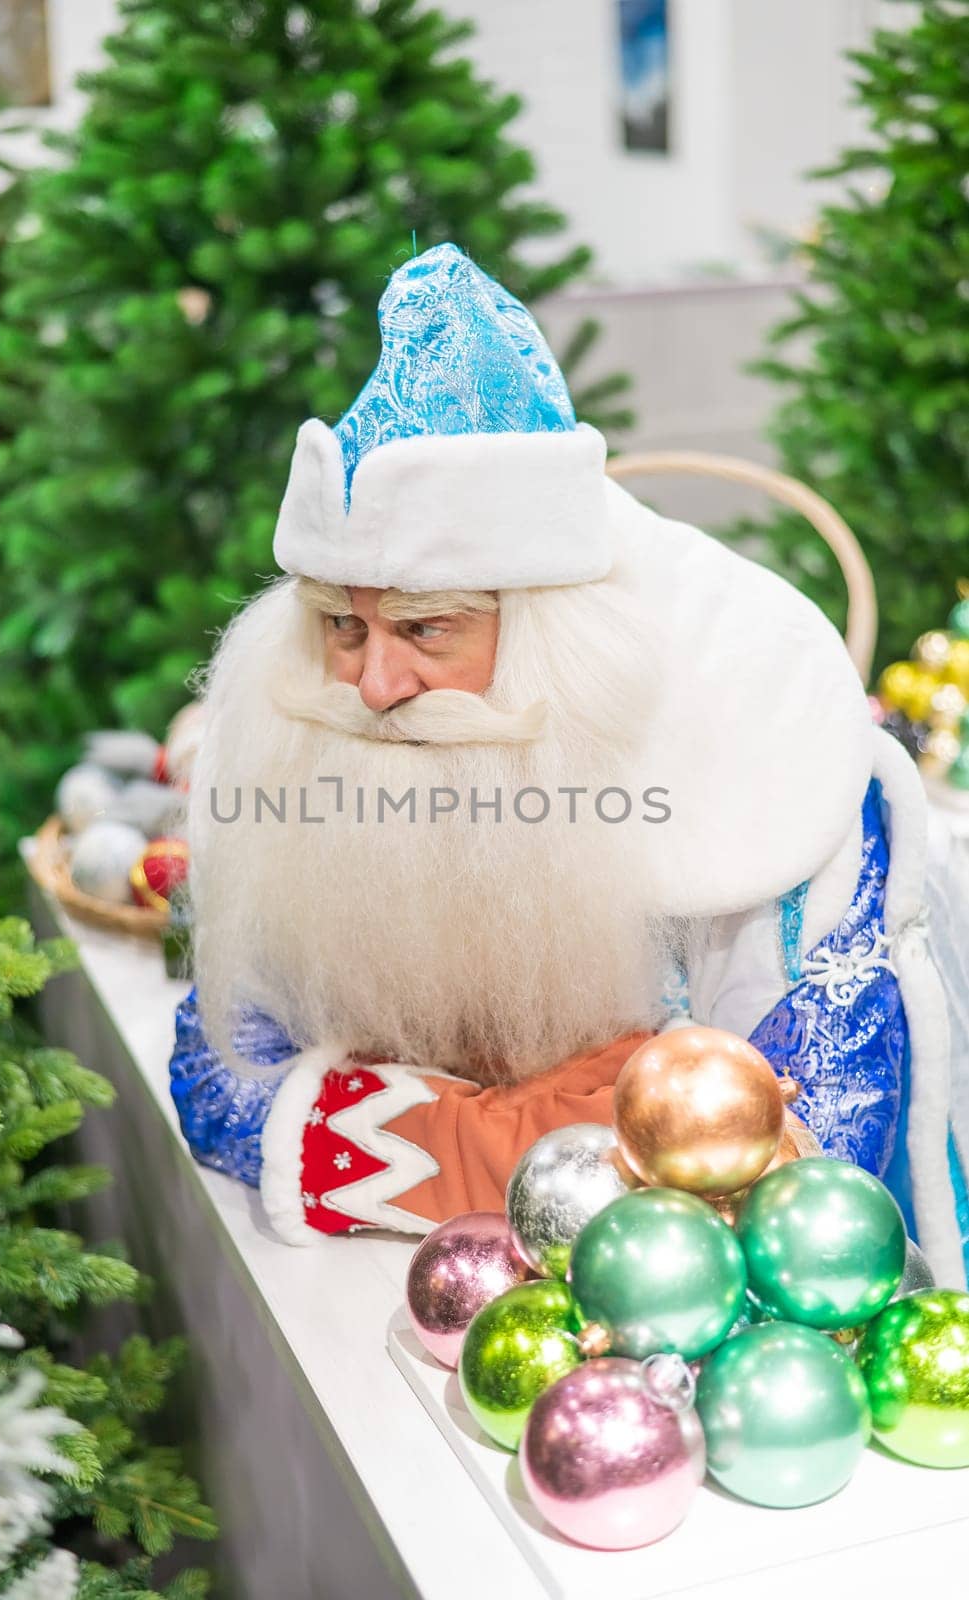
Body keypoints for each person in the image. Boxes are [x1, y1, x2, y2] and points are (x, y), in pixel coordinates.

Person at [169, 242, 969, 1284]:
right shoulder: (314, 749)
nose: (370, 685)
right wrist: (488, 1139)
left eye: (427, 629)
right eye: (342, 628)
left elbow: (799, 1181)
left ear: (552, 636)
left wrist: (381, 1114)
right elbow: (215, 1067)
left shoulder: (777, 781)